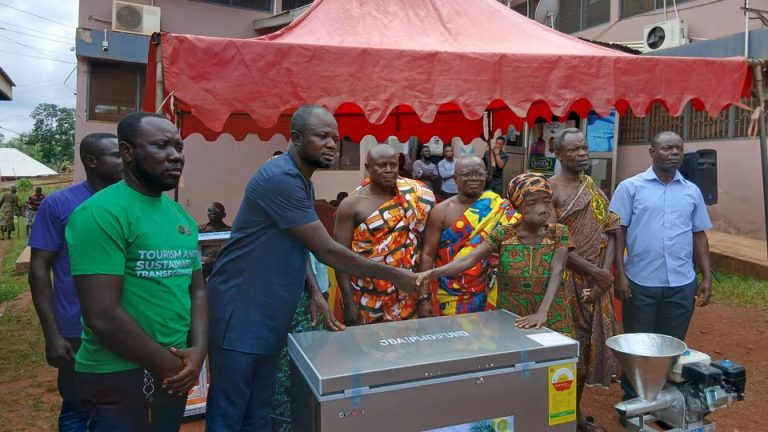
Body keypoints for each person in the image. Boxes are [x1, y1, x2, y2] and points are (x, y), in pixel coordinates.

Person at [205, 105, 421, 431]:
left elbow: (298, 242)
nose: (332, 144)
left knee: (259, 410)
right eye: (322, 137)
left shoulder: (300, 179)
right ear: (295, 138)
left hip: (269, 310)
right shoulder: (281, 178)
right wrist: (396, 275)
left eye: (336, 138)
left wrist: (314, 293)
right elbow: (325, 249)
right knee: (230, 410)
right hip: (240, 309)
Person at [65, 113, 207, 431]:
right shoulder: (101, 213)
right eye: (161, 145)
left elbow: (196, 289)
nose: (175, 155)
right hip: (117, 375)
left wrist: (198, 352)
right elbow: (102, 314)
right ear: (127, 152)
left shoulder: (179, 216)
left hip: (174, 373)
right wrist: (170, 365)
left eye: (179, 147)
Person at [28, 132, 123, 431]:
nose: (125, 160)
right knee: (78, 408)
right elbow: (39, 268)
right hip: (76, 330)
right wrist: (52, 335)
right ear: (91, 161)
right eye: (116, 155)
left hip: (128, 328)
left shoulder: (132, 203)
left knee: (121, 407)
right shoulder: (59, 204)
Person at [418, 173, 574, 334]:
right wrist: (430, 274)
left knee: (554, 356)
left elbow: (558, 270)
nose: (542, 209)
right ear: (517, 207)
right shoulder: (504, 233)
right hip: (512, 316)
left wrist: (542, 312)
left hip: (551, 314)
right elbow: (469, 259)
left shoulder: (558, 232)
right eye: (532, 203)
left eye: (547, 202)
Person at [611, 130, 712, 355]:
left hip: (682, 283)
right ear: (652, 152)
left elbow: (699, 235)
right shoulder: (630, 188)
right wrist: (620, 275)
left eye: (679, 148)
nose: (675, 152)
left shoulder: (692, 191)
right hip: (640, 282)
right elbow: (618, 232)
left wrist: (706, 276)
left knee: (672, 346)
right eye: (667, 148)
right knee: (637, 345)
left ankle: (663, 388)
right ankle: (634, 390)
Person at [550, 128, 620, 432]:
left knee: (588, 352)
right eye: (575, 149)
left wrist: (603, 275)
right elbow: (555, 243)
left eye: (585, 148)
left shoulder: (593, 188)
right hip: (565, 282)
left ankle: (574, 417)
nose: (582, 154)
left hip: (597, 284)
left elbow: (612, 229)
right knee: (566, 354)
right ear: (559, 155)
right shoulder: (549, 190)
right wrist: (596, 273)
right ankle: (561, 418)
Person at [334, 145, 435, 325]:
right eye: (381, 165)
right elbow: (339, 257)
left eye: (393, 165)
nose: (388, 170)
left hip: (406, 295)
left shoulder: (415, 197)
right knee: (366, 350)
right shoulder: (351, 205)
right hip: (365, 296)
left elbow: (423, 251)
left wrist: (424, 297)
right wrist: (349, 303)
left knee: (408, 348)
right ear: (367, 168)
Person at [418, 156, 518, 316]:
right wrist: (423, 297)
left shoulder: (499, 207)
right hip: (450, 292)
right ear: (455, 177)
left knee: (488, 338)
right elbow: (428, 254)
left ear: (487, 176)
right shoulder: (441, 211)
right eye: (467, 174)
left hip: (490, 290)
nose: (473, 178)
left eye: (478, 173)